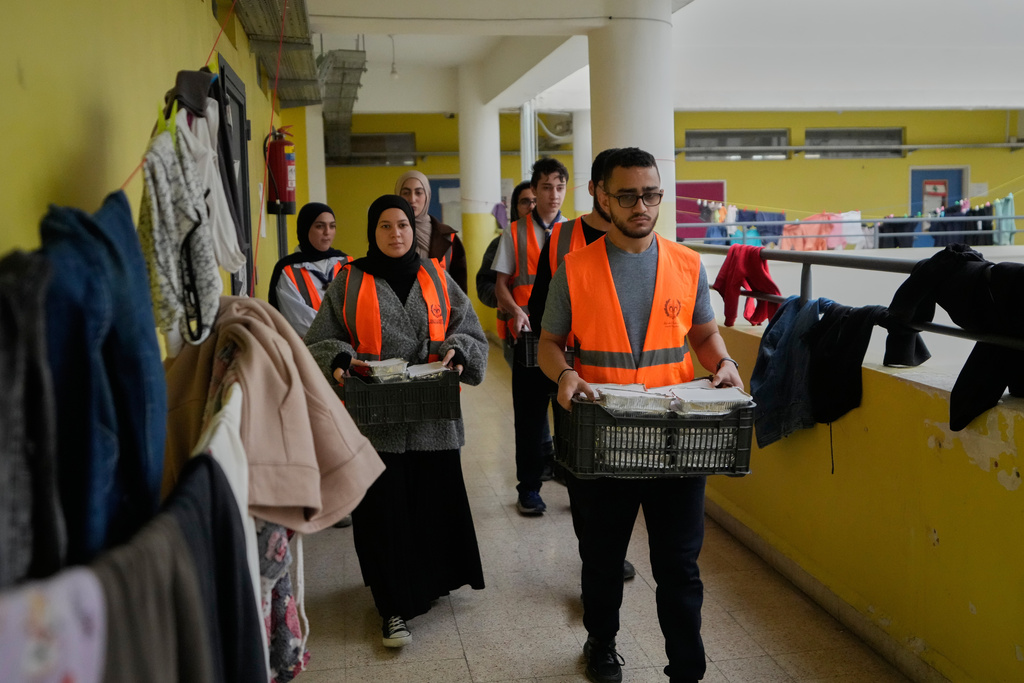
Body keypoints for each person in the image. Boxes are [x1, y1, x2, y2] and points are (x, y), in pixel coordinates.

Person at [538, 148, 743, 683]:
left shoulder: (686, 263)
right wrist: (564, 376)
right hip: (603, 438)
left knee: (679, 564)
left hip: (674, 440)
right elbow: (549, 344)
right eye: (627, 195)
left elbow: (702, 332)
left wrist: (723, 363)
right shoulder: (575, 268)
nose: (641, 206)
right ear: (602, 197)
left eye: (650, 194)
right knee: (602, 559)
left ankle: (686, 667)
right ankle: (601, 644)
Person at [305, 195, 488, 648]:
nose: (395, 234)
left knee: (430, 508)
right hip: (376, 420)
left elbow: (470, 329)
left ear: (413, 229)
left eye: (402, 225)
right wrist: (340, 359)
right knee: (384, 515)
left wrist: (459, 350)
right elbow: (318, 341)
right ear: (372, 232)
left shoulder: (435, 275)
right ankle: (393, 607)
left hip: (432, 416)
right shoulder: (348, 280)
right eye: (385, 226)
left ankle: (425, 585)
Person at [491, 157, 567, 515]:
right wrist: (515, 311)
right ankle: (529, 489)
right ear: (534, 191)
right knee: (530, 417)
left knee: (569, 414)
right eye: (547, 187)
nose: (554, 195)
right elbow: (501, 284)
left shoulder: (575, 233)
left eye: (560, 187)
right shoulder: (514, 231)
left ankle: (573, 479)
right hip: (529, 338)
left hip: (568, 341)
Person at [267, 202, 351, 338]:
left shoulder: (347, 263)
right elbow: (300, 321)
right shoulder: (288, 270)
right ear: (305, 228)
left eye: (332, 226)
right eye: (320, 226)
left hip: (353, 349)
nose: (327, 232)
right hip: (308, 352)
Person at [395, 170, 468, 292]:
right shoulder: (389, 233)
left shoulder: (448, 236)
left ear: (427, 195)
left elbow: (459, 287)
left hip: (441, 307)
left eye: (418, 192)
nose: (412, 199)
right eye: (406, 193)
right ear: (398, 195)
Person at [477, 181, 535, 309]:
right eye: (525, 202)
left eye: (535, 201)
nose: (531, 207)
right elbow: (483, 285)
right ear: (515, 207)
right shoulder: (500, 243)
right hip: (514, 321)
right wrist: (503, 299)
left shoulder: (554, 238)